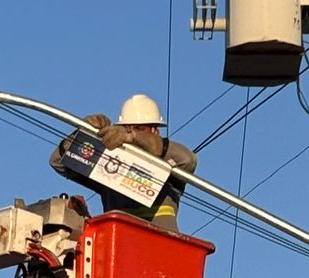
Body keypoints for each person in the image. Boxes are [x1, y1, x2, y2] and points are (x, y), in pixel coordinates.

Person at [48, 93, 197, 233]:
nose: (129, 133)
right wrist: (82, 134)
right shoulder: (110, 168)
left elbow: (188, 159)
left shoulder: (168, 169)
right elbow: (58, 162)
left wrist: (133, 138)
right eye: (127, 129)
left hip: (160, 251)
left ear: (155, 131)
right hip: (120, 252)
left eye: (139, 129)